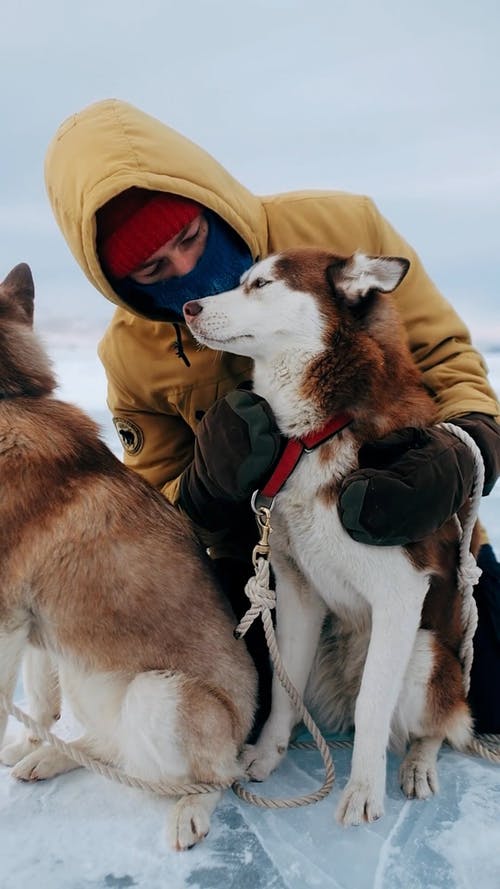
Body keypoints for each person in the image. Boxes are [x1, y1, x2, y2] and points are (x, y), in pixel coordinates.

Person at [44, 98, 500, 736]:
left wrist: (464, 450)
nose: (187, 271)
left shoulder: (339, 227)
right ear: (126, 285)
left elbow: (446, 356)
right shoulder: (131, 354)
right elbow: (154, 505)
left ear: (210, 204)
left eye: (191, 238)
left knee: (488, 700)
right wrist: (204, 488)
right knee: (224, 720)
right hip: (266, 564)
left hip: (408, 534)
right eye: (153, 269)